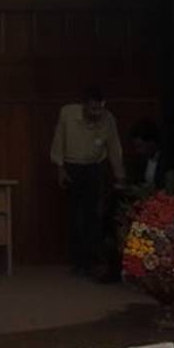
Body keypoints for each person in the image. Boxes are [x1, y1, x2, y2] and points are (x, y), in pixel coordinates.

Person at [50, 86, 126, 277]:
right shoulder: (67, 113)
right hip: (72, 166)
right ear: (84, 105)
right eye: (93, 109)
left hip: (95, 167)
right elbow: (58, 140)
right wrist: (60, 168)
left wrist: (119, 175)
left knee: (94, 214)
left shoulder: (108, 119)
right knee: (75, 216)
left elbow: (114, 147)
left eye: (100, 108)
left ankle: (92, 260)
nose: (97, 112)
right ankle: (78, 261)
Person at [127, 118, 172, 190]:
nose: (137, 151)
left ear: (151, 143)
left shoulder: (167, 160)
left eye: (140, 146)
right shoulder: (141, 160)